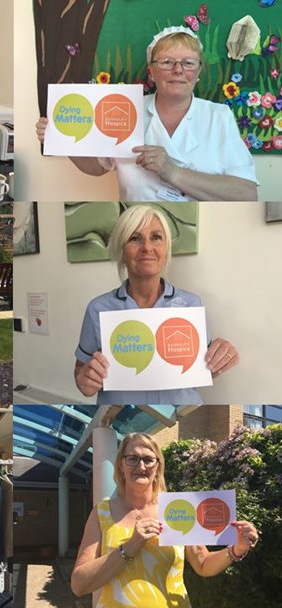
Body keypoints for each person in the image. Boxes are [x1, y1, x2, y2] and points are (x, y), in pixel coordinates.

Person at [36, 26, 257, 202]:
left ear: (198, 71)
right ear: (151, 71)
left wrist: (173, 172)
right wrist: (61, 138)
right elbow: (96, 167)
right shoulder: (127, 109)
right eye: (167, 62)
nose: (178, 70)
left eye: (188, 63)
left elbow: (246, 193)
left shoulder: (219, 117)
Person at [74, 205, 238, 405]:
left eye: (156, 237)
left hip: (182, 413)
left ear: (165, 248)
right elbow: (80, 369)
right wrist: (85, 380)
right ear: (121, 250)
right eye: (135, 238)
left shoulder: (191, 305)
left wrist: (222, 357)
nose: (147, 248)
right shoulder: (98, 308)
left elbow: (202, 370)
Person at [71, 432, 259, 607]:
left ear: (158, 466)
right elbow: (79, 585)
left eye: (148, 459)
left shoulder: (177, 508)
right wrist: (130, 546)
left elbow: (203, 563)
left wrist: (236, 549)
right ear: (121, 464)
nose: (141, 466)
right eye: (132, 458)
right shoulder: (102, 513)